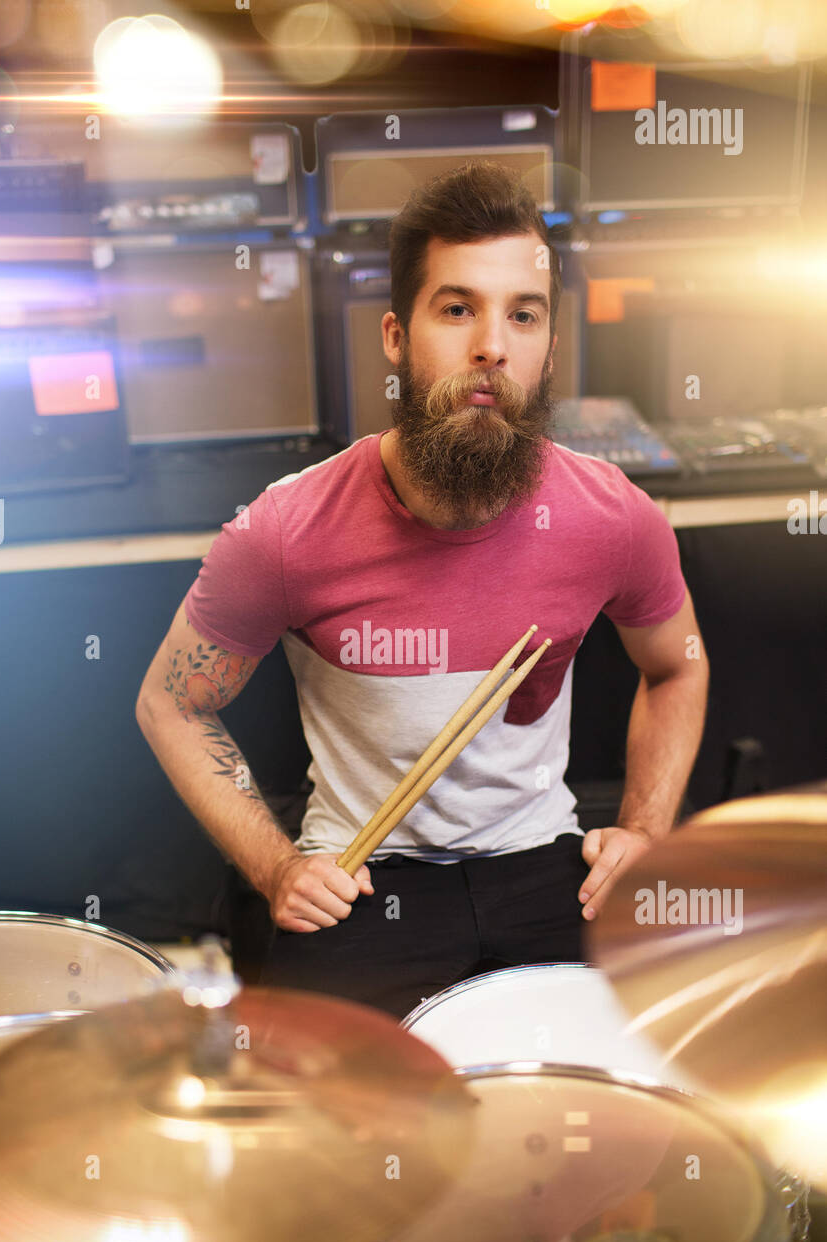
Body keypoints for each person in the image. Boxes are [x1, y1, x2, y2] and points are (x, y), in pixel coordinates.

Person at [136, 162, 709, 1020]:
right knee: (331, 1128)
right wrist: (276, 865)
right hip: (363, 877)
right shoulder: (287, 530)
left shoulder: (609, 516)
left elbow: (678, 668)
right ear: (396, 338)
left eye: (523, 315)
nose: (493, 345)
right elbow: (170, 704)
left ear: (551, 345)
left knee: (623, 1109)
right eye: (458, 309)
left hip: (543, 865)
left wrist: (646, 831)